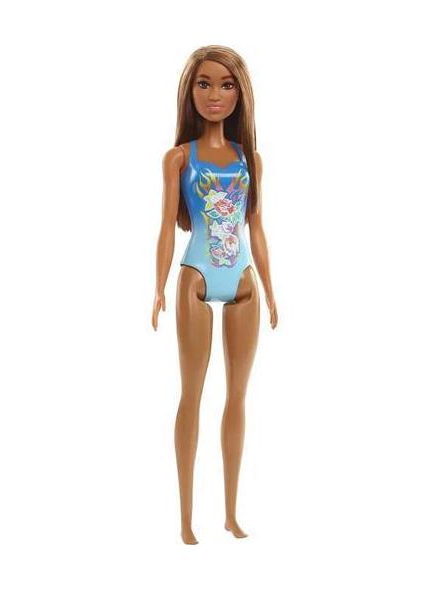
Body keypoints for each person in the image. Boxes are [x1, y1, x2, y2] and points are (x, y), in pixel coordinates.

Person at [151, 45, 278, 545]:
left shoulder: (251, 159)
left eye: (226, 84)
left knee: (238, 397)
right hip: (197, 277)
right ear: (190, 91)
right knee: (192, 395)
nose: (215, 94)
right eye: (204, 83)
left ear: (240, 93)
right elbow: (166, 226)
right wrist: (158, 286)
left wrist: (270, 288)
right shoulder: (179, 158)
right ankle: (185, 519)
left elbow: (256, 226)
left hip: (243, 278)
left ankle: (230, 513)